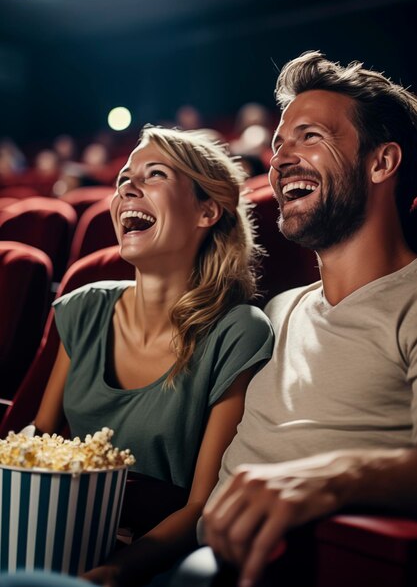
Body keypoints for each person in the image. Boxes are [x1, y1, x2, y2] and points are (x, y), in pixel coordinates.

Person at [202, 51, 417, 587]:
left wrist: (333, 477)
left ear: (381, 162)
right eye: (278, 145)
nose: (279, 160)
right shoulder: (277, 311)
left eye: (310, 137)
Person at [33, 126, 274, 586]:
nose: (128, 186)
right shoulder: (85, 306)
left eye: (155, 174)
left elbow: (203, 504)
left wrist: (119, 570)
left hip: (153, 562)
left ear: (207, 210)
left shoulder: (238, 331)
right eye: (125, 176)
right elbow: (34, 445)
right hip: (54, 540)